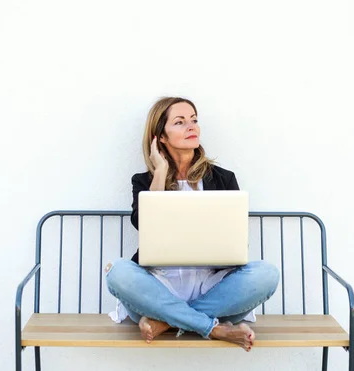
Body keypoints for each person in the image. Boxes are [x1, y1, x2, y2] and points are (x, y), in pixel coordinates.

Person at [106, 97, 279, 352]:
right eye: (180, 122)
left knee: (267, 274)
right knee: (118, 273)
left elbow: (236, 238)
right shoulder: (144, 181)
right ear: (160, 137)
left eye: (194, 120)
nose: (192, 127)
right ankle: (215, 327)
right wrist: (161, 170)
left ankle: (166, 322)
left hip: (213, 287)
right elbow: (144, 223)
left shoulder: (223, 178)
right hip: (159, 287)